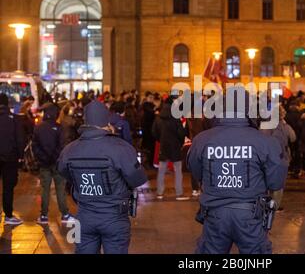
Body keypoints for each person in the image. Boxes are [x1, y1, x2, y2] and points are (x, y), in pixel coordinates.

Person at [187, 89, 288, 254]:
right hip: (250, 215)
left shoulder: (202, 139)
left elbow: (196, 172)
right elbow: (276, 181)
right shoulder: (263, 141)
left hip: (215, 214)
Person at [57, 101, 148, 254]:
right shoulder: (120, 148)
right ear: (106, 121)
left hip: (84, 215)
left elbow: (63, 171)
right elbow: (137, 178)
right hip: (114, 217)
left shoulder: (70, 149)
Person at [32, 103, 75, 224]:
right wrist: (54, 157)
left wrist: (43, 157)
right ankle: (65, 214)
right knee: (60, 189)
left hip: (44, 164)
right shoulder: (59, 127)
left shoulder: (38, 127)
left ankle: (44, 215)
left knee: (45, 189)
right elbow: (61, 145)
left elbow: (35, 146)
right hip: (57, 164)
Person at [152, 95, 189, 200]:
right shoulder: (176, 117)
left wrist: (161, 140)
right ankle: (179, 193)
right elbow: (181, 132)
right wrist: (180, 142)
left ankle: (160, 192)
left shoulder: (159, 117)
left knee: (161, 169)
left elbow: (154, 132)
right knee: (178, 170)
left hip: (163, 145)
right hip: (175, 146)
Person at [0, 94, 25, 225]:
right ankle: (8, 215)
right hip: (10, 158)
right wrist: (20, 157)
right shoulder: (14, 119)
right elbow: (20, 139)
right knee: (8, 187)